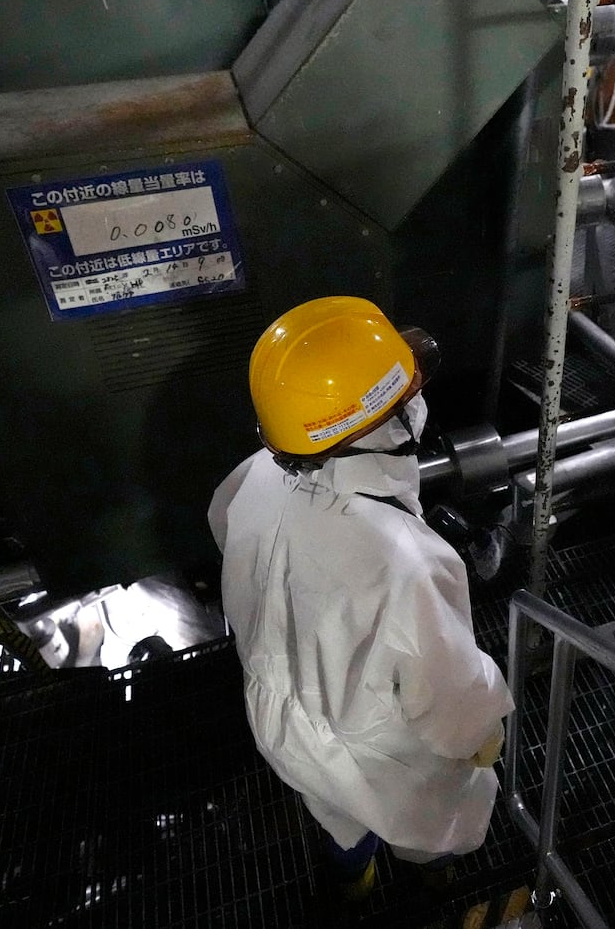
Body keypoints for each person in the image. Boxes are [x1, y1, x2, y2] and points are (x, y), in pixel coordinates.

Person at [208, 296, 513, 899]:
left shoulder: (253, 475)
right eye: (404, 396)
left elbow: (227, 536)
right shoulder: (409, 562)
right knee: (430, 817)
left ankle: (350, 888)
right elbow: (446, 690)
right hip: (378, 746)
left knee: (334, 809)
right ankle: (433, 890)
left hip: (280, 718)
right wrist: (479, 734)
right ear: (385, 422)